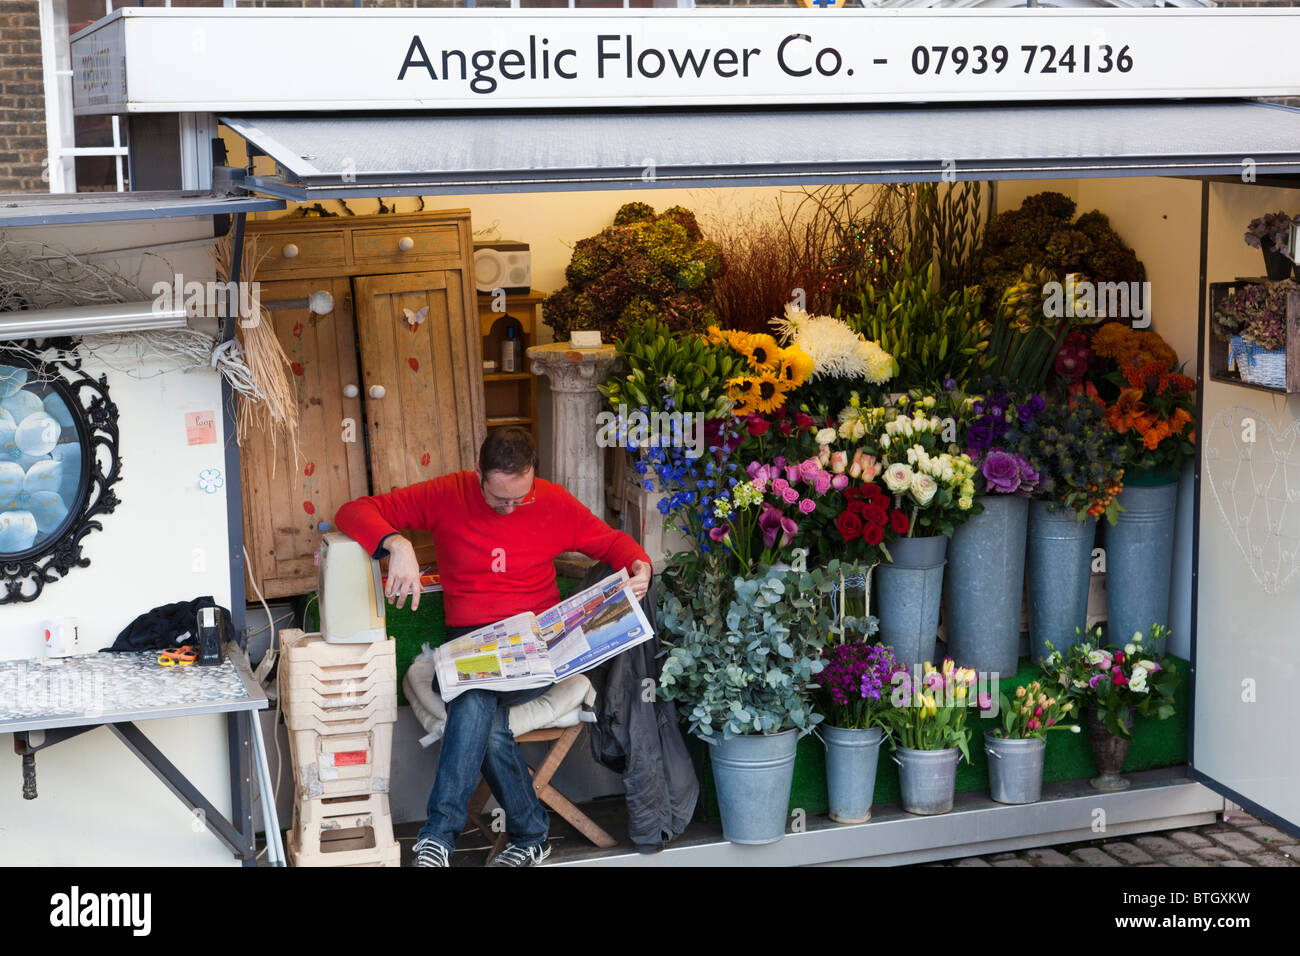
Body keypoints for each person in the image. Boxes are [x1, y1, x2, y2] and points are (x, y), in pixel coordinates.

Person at [334, 427, 652, 868]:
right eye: (498, 498)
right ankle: (531, 835)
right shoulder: (447, 493)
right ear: (478, 474)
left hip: (536, 649)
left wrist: (641, 566)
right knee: (484, 711)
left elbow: (616, 544)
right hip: (470, 645)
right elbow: (353, 510)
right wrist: (397, 542)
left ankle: (439, 839)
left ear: (532, 477)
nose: (509, 507)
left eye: (519, 498)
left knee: (473, 697)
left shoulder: (553, 502)